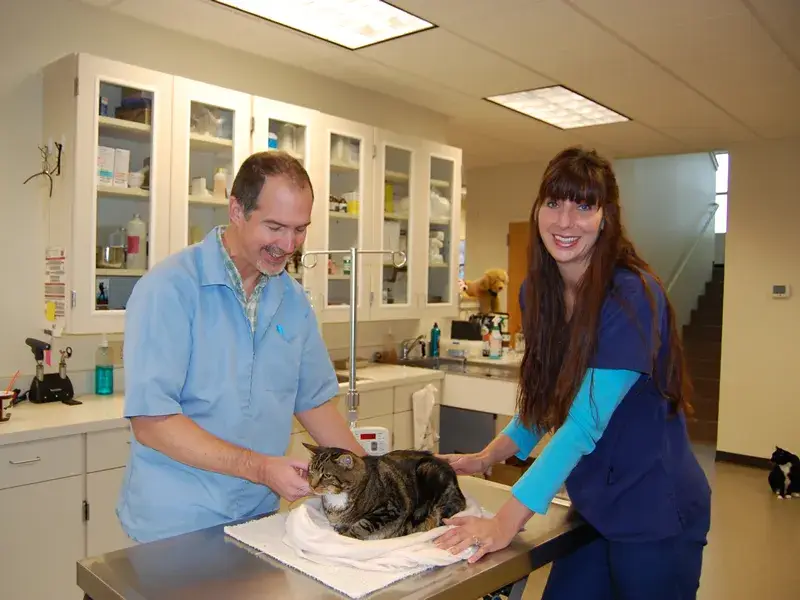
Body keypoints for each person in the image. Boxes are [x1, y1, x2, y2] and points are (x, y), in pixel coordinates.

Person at [435, 146, 711, 599]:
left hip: (653, 511)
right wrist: (487, 457)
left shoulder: (630, 296)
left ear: (607, 217)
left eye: (584, 205)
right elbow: (548, 400)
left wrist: (504, 523)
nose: (566, 221)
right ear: (539, 208)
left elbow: (583, 422)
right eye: (554, 203)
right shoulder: (536, 292)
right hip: (593, 508)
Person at [116, 151, 366, 544]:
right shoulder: (169, 289)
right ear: (236, 209)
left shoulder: (293, 300)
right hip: (176, 526)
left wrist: (373, 481)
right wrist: (261, 468)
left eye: (300, 229)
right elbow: (152, 422)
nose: (288, 244)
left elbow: (314, 403)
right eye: (275, 227)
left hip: (258, 519)